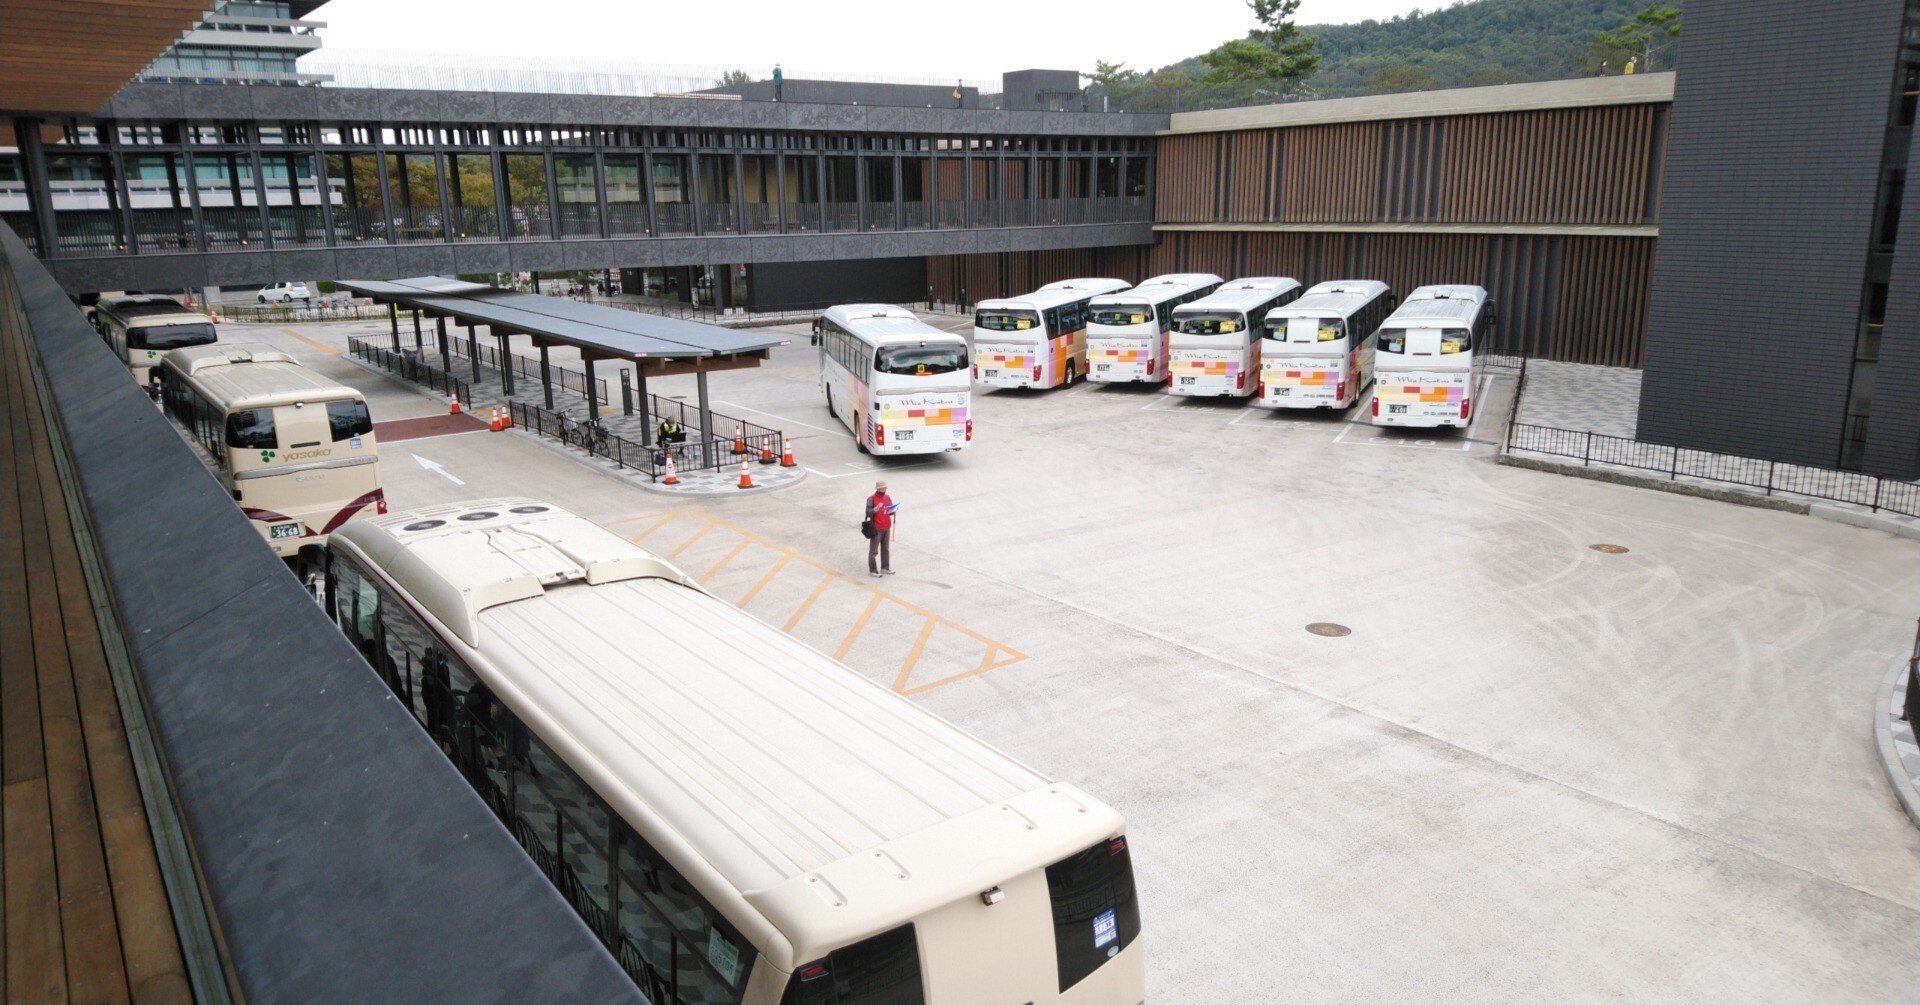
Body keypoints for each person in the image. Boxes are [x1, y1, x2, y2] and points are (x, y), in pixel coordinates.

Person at [865, 480, 896, 577]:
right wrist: (875, 509)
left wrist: (893, 510)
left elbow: (890, 512)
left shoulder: (887, 497)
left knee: (885, 549)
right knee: (873, 551)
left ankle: (885, 568)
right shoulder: (871, 499)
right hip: (876, 529)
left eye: (885, 488)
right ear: (878, 489)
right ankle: (873, 571)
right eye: (882, 488)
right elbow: (868, 512)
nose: (884, 489)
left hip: (886, 527)